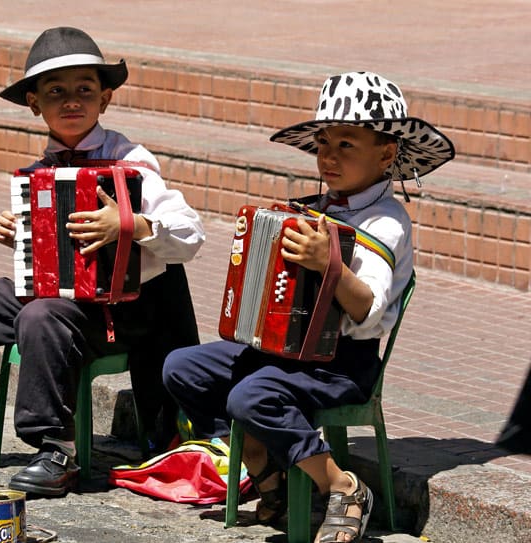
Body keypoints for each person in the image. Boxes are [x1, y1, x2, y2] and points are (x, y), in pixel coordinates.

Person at [0, 27, 204, 497]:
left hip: (121, 311)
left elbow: (190, 235)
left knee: (42, 313)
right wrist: (20, 237)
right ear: (35, 103)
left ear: (106, 98)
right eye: (56, 92)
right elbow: (48, 261)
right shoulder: (41, 169)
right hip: (58, 302)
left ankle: (55, 448)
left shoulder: (131, 161)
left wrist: (130, 225)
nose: (72, 101)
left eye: (85, 89)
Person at [163, 71, 454, 542]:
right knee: (182, 367)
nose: (328, 156)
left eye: (346, 144)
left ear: (386, 154)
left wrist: (329, 265)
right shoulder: (320, 207)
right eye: (324, 143)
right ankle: (266, 471)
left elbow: (369, 311)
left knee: (250, 396)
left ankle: (341, 485)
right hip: (287, 354)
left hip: (342, 364)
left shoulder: (386, 222)